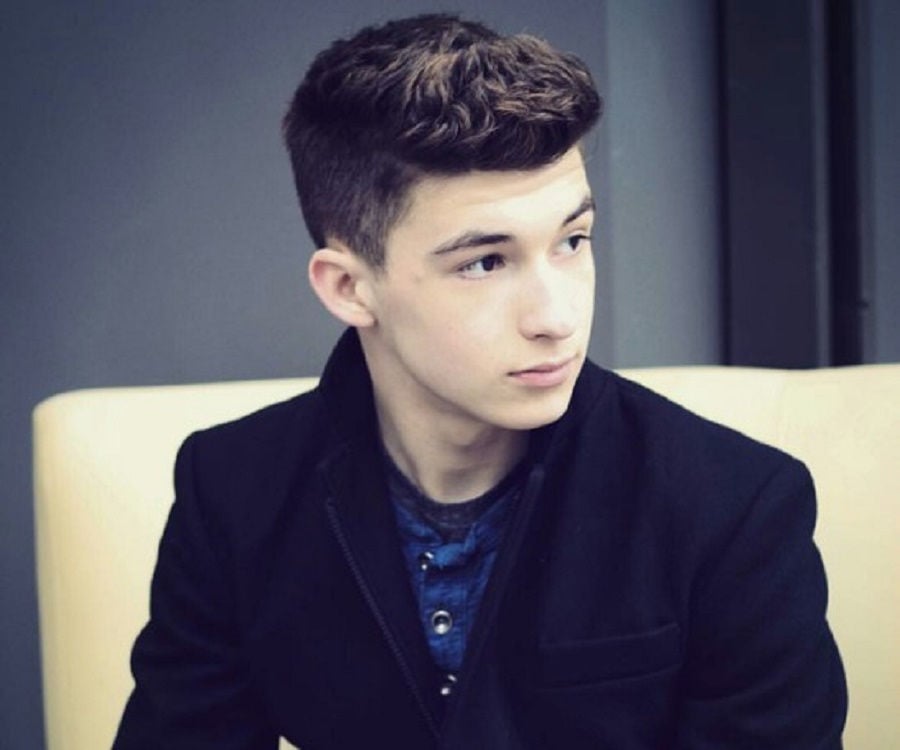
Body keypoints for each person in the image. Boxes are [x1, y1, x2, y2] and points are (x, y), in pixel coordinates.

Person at [114, 13, 847, 749]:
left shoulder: (734, 507)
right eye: (485, 263)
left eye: (573, 240)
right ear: (349, 288)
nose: (556, 317)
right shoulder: (232, 491)